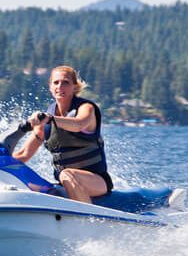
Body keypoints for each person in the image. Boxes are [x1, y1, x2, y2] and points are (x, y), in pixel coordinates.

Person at [12, 65, 114, 204]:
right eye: (56, 82)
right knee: (30, 184)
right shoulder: (46, 120)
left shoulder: (85, 108)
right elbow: (23, 154)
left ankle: (85, 220)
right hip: (66, 183)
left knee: (67, 174)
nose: (60, 86)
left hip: (97, 181)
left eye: (65, 82)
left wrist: (50, 119)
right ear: (50, 87)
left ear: (74, 86)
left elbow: (78, 124)